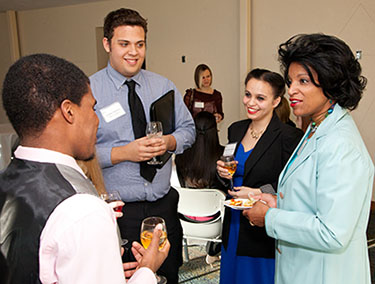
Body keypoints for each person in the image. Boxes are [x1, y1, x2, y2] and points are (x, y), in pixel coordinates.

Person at [0, 53, 170, 284]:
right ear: (69, 111)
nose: (96, 120)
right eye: (92, 108)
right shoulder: (82, 209)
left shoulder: (6, 181)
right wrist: (148, 270)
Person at [245, 34, 374, 284]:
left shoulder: (341, 145)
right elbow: (314, 198)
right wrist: (277, 201)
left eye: (303, 81)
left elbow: (333, 232)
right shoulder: (316, 128)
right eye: (291, 81)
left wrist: (269, 218)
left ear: (330, 83)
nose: (292, 90)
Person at [90, 8, 195, 284]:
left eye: (140, 44)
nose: (133, 52)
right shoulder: (88, 91)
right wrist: (123, 153)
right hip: (119, 214)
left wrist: (170, 141)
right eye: (124, 44)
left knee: (169, 275)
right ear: (107, 44)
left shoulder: (163, 86)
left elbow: (189, 130)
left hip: (163, 207)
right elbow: (77, 155)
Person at [216, 68, 304, 284]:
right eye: (248, 95)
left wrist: (259, 192)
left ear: (276, 101)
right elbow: (229, 173)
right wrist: (220, 172)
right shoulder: (235, 129)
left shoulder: (288, 136)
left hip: (260, 228)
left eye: (260, 98)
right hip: (233, 224)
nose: (250, 102)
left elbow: (294, 184)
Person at [175, 111, 224, 189]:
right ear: (215, 130)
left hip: (188, 200)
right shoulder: (224, 156)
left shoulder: (180, 155)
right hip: (216, 200)